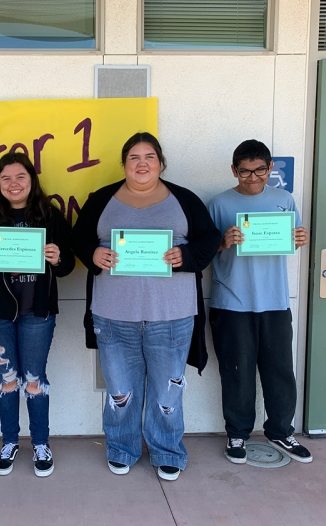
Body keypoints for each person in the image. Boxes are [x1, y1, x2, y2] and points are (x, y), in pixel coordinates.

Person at [71, 132, 220, 481]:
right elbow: (78, 238)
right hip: (112, 315)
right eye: (134, 157)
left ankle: (168, 450)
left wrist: (185, 256)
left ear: (161, 162)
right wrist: (92, 253)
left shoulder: (183, 199)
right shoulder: (102, 200)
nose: (142, 163)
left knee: (167, 390)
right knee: (120, 390)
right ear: (124, 164)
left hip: (172, 315)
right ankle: (122, 448)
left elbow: (210, 239)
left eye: (149, 156)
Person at [0, 152, 75, 477]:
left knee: (34, 380)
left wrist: (57, 258)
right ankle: (10, 442)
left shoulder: (49, 215)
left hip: (37, 313)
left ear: (32, 180)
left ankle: (41, 443)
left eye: (20, 177)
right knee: (7, 379)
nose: (13, 184)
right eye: (6, 178)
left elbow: (68, 266)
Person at [207, 139, 312, 464]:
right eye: (245, 171)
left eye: (260, 170)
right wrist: (223, 241)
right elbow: (203, 251)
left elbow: (291, 240)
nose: (253, 178)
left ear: (270, 168)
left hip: (276, 302)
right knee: (236, 372)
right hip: (231, 302)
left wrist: (301, 238)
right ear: (234, 170)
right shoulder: (219, 203)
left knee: (280, 370)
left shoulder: (284, 200)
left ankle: (281, 431)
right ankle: (237, 434)